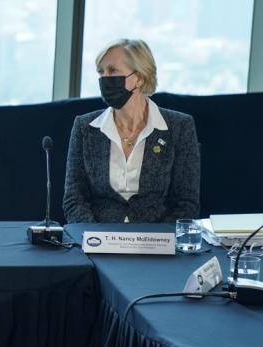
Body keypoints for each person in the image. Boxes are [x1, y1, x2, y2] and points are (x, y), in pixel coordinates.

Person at [63, 39, 199, 223]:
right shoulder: (85, 127)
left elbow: (186, 203)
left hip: (157, 243)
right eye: (101, 72)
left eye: (113, 70)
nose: (104, 78)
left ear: (140, 78)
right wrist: (93, 238)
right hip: (97, 241)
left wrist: (159, 242)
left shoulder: (179, 127)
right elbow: (74, 199)